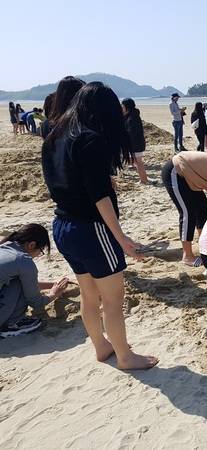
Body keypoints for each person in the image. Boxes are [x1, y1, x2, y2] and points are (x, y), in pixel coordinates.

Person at [42, 82, 158, 369]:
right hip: (91, 229)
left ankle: (101, 347)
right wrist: (121, 237)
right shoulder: (89, 139)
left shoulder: (54, 136)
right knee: (113, 298)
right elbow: (100, 197)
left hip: (63, 225)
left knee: (88, 293)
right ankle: (125, 356)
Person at [0, 224, 70, 337]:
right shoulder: (23, 259)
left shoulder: (4, 248)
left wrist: (52, 285)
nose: (39, 255)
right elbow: (35, 302)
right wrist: (53, 294)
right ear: (32, 245)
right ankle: (12, 324)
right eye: (41, 251)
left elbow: (26, 282)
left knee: (16, 280)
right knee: (18, 283)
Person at [122, 98, 150, 184]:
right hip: (137, 143)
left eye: (123, 106)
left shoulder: (132, 117)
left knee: (138, 162)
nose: (122, 107)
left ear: (127, 106)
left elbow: (132, 133)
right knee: (137, 162)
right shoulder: (133, 115)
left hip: (136, 144)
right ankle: (143, 179)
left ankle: (143, 180)